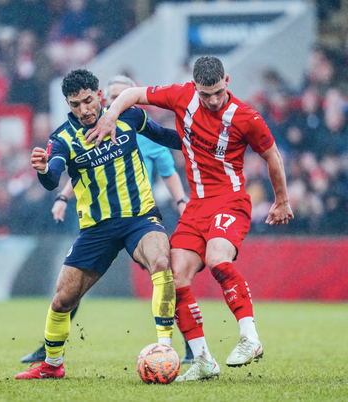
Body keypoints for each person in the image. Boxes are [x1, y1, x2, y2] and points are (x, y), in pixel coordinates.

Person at [87, 56, 293, 381]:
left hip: (231, 200)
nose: (212, 100)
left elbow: (272, 156)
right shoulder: (180, 96)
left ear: (227, 81)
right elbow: (131, 94)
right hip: (197, 206)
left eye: (218, 92)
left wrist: (281, 200)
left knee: (216, 259)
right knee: (175, 276)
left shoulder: (246, 117)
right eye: (205, 94)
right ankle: (203, 360)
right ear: (194, 86)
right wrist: (110, 115)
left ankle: (249, 338)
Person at [20, 75, 194, 365]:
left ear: (99, 95)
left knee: (162, 262)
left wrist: (201, 136)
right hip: (96, 229)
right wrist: (42, 170)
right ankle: (50, 365)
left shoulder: (129, 117)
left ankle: (164, 348)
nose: (84, 109)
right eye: (75, 104)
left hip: (140, 217)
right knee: (62, 300)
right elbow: (53, 178)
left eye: (88, 100)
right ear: (68, 104)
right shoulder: (62, 139)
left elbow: (166, 137)